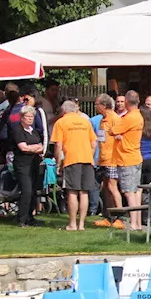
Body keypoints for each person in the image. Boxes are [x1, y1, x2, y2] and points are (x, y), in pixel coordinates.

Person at [51, 99, 97, 231]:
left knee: (72, 192)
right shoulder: (85, 121)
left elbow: (58, 145)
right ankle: (81, 224)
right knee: (84, 192)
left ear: (64, 110)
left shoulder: (61, 122)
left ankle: (72, 223)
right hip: (87, 159)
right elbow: (94, 144)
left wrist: (58, 163)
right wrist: (90, 156)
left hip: (71, 159)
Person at [110, 92, 145, 231]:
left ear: (126, 103)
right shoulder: (139, 115)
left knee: (129, 192)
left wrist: (117, 132)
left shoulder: (129, 118)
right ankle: (137, 223)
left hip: (126, 159)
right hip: (136, 156)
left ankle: (134, 224)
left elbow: (113, 130)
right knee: (136, 192)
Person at [10, 106, 45, 227]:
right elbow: (23, 147)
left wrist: (34, 148)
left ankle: (30, 216)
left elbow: (41, 146)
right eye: (28, 117)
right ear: (22, 117)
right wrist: (34, 148)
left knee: (34, 191)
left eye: (32, 117)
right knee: (26, 190)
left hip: (34, 164)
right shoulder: (17, 130)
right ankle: (22, 218)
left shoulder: (33, 131)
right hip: (22, 165)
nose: (30, 119)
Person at [92, 94, 124, 229]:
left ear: (104, 105)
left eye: (97, 104)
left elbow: (121, 136)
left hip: (112, 159)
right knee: (105, 188)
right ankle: (109, 216)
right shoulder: (102, 120)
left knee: (113, 187)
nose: (95, 106)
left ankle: (120, 217)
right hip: (103, 159)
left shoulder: (115, 119)